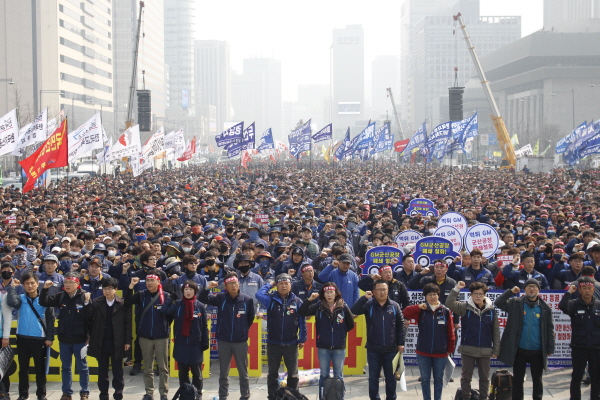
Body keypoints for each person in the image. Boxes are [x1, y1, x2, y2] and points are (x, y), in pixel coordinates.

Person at [495, 279, 555, 400]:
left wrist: (550, 348)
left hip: (537, 350)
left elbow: (549, 329)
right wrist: (510, 292)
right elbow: (498, 303)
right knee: (517, 379)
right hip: (519, 349)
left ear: (539, 290)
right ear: (524, 289)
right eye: (529, 286)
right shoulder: (515, 303)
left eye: (534, 287)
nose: (531, 289)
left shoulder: (545, 308)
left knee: (537, 380)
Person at [201, 272, 255, 400]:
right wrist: (207, 288)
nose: (233, 286)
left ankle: (245, 396)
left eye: (235, 283)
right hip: (224, 340)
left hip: (240, 341)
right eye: (230, 284)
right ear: (226, 286)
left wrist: (242, 329)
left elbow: (250, 318)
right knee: (223, 372)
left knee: (243, 372)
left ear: (238, 284)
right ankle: (223, 396)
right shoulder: (221, 298)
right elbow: (203, 299)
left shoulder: (247, 300)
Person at [39, 272, 92, 400]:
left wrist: (86, 302)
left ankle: (84, 392)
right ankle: (67, 393)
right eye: (65, 282)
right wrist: (45, 289)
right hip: (64, 339)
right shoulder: (61, 296)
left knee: (82, 367)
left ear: (77, 284)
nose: (67, 285)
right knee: (66, 368)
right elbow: (44, 302)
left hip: (80, 339)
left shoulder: (83, 296)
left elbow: (90, 316)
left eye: (70, 282)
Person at [299, 283, 355, 399]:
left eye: (331, 292)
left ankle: (339, 397)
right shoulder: (319, 306)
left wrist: (339, 332)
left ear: (336, 294)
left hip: (339, 347)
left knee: (338, 375)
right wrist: (309, 300)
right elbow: (302, 312)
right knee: (324, 375)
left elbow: (350, 324)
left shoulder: (343, 306)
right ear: (323, 294)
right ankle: (322, 397)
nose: (329, 295)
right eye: (327, 292)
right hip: (323, 347)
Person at [351, 280, 406, 400]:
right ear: (374, 292)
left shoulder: (394, 306)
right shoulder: (369, 305)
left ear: (388, 291)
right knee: (373, 378)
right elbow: (354, 310)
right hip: (373, 349)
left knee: (390, 378)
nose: (382, 292)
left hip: (391, 349)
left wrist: (401, 343)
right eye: (379, 290)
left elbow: (401, 326)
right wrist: (364, 298)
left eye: (384, 290)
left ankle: (391, 397)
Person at [445, 281, 500, 400]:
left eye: (481, 294)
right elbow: (449, 303)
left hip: (485, 350)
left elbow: (495, 332)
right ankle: (466, 397)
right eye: (475, 294)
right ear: (471, 295)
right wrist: (457, 288)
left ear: (484, 295)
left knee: (484, 378)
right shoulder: (465, 308)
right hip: (468, 349)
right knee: (466, 377)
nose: (478, 296)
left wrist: (496, 350)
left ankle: (484, 397)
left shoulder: (491, 311)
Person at [256, 273, 307, 400]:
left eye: (286, 283)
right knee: (273, 374)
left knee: (293, 374)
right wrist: (270, 284)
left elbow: (302, 322)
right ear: (277, 285)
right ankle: (272, 397)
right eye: (281, 284)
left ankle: (293, 397)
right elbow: (259, 294)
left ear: (290, 285)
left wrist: (302, 339)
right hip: (273, 343)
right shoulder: (271, 300)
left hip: (291, 343)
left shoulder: (297, 301)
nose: (284, 286)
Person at [7, 271, 55, 400]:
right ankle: (23, 394)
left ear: (37, 284)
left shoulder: (44, 299)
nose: (30, 286)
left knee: (40, 369)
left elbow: (51, 320)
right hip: (22, 338)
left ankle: (41, 395)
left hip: (39, 339)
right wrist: (12, 287)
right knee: (23, 369)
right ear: (23, 285)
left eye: (32, 283)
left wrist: (50, 338)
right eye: (26, 283)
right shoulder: (21, 298)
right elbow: (11, 302)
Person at [403, 283, 455, 400]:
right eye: (429, 295)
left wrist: (450, 349)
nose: (432, 297)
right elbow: (406, 312)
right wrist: (417, 307)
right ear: (425, 296)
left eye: (434, 294)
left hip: (440, 352)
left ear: (438, 295)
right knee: (425, 379)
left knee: (438, 379)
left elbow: (451, 332)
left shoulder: (445, 311)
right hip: (423, 351)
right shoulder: (421, 310)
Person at [125, 273, 171, 400]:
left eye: (152, 280)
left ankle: (163, 393)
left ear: (158, 282)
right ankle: (149, 392)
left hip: (161, 337)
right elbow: (127, 301)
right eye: (147, 280)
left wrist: (164, 327)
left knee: (163, 367)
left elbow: (170, 316)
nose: (149, 283)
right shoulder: (141, 294)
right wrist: (130, 286)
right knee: (147, 367)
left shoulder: (165, 296)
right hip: (145, 337)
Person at [161, 280, 208, 399]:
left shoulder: (200, 306)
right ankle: (185, 395)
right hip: (181, 344)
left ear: (195, 291)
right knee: (183, 374)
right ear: (183, 291)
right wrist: (170, 299)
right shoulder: (178, 304)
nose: (188, 292)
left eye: (191, 290)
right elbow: (164, 311)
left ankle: (198, 395)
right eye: (186, 289)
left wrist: (205, 342)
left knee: (197, 375)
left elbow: (204, 326)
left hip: (195, 345)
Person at [88, 277, 132, 400]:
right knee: (102, 370)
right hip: (101, 341)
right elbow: (89, 321)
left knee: (118, 370)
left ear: (116, 289)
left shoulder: (122, 304)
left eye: (110, 288)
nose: (107, 291)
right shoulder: (96, 302)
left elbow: (128, 324)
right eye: (105, 288)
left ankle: (118, 394)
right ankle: (103, 394)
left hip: (117, 341)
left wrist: (127, 341)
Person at [559, 277, 600, 400]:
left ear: (593, 290)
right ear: (579, 290)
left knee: (596, 377)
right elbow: (562, 306)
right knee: (577, 376)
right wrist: (569, 293)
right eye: (584, 288)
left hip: (596, 348)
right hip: (579, 347)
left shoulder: (598, 305)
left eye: (589, 288)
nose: (587, 291)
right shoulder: (574, 304)